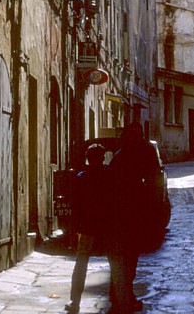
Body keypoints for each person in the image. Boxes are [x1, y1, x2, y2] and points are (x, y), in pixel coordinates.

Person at [107, 122, 161, 314]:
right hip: (131, 213)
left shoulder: (121, 156)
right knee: (128, 258)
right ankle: (123, 295)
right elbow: (154, 179)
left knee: (122, 258)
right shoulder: (141, 152)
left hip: (125, 214)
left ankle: (120, 296)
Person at [65, 143, 112, 314]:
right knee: (115, 263)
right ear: (102, 158)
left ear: (87, 159)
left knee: (81, 264)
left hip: (87, 226)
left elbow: (76, 206)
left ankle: (75, 301)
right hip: (108, 226)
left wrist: (73, 229)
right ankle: (119, 300)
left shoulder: (81, 177)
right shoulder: (110, 175)